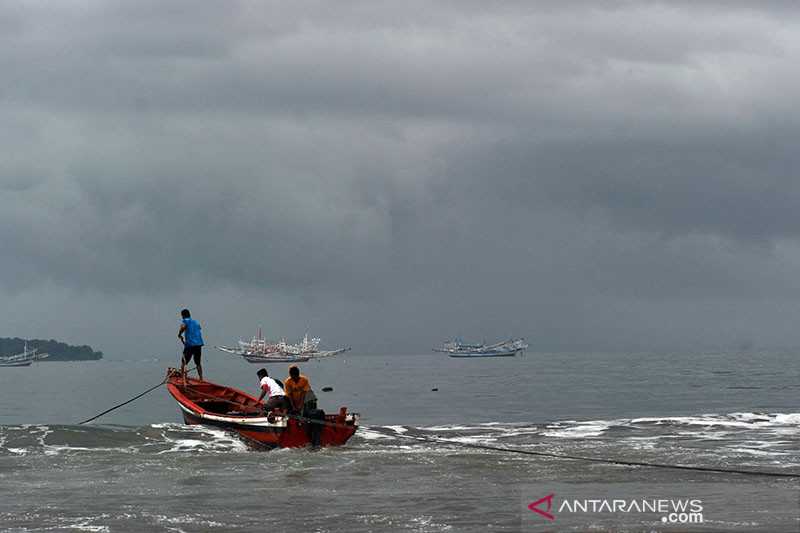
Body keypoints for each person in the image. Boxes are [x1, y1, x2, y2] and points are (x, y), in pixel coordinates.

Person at [178, 308, 204, 381]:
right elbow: (199, 328)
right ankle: (201, 378)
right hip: (198, 344)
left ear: (183, 316)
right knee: (198, 363)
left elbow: (183, 326)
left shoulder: (185, 321)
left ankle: (182, 378)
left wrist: (179, 334)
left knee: (184, 362)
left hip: (190, 344)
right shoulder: (195, 322)